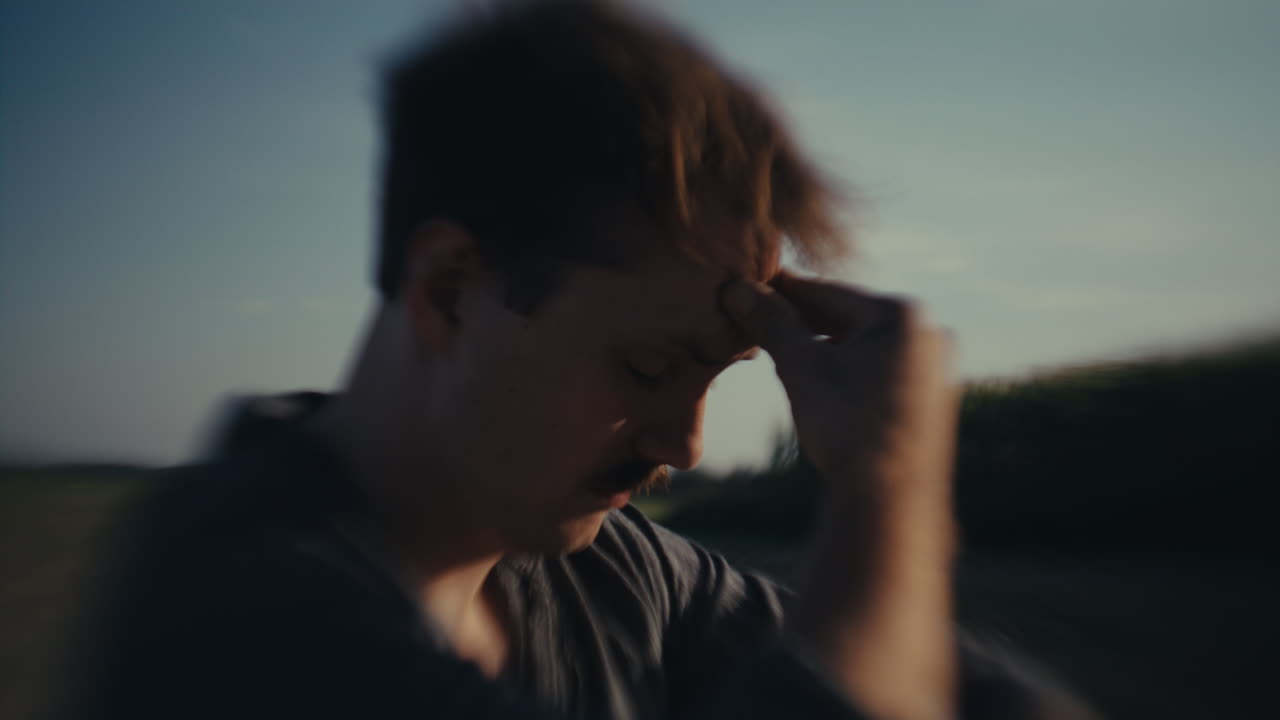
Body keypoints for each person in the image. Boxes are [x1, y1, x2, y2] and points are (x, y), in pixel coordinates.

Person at [61, 2, 1094, 719]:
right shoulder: (230, 617)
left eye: (712, 378)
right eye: (648, 367)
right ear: (450, 290)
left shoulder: (606, 570)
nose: (681, 444)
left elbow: (965, 691)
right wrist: (886, 483)